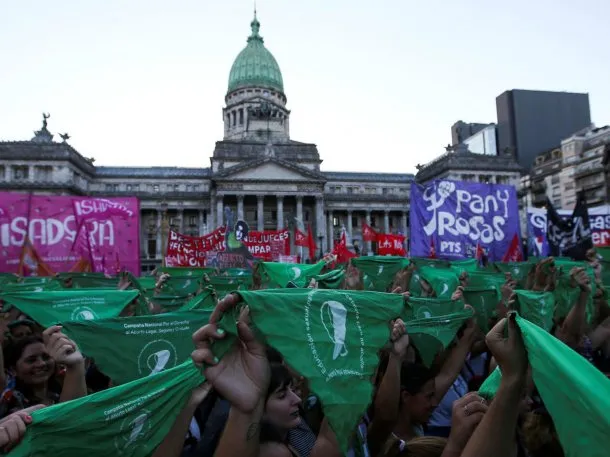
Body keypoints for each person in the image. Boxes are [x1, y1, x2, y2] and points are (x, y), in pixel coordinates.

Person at [0, 326, 86, 418]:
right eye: (31, 360)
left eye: (46, 357)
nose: (41, 363)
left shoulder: (59, 393)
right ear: (13, 370)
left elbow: (75, 417)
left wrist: (75, 364)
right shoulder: (9, 401)